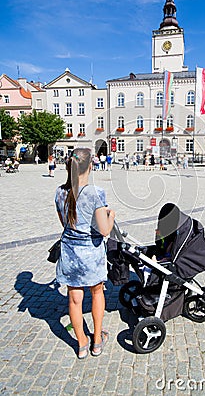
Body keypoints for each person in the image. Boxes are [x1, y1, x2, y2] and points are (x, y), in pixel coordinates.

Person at [55, 148, 115, 359]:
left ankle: (81, 343)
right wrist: (112, 214)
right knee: (97, 292)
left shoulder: (60, 192)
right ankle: (97, 341)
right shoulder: (94, 193)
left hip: (70, 253)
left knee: (74, 298)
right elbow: (104, 230)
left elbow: (65, 224)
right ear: (91, 165)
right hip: (90, 253)